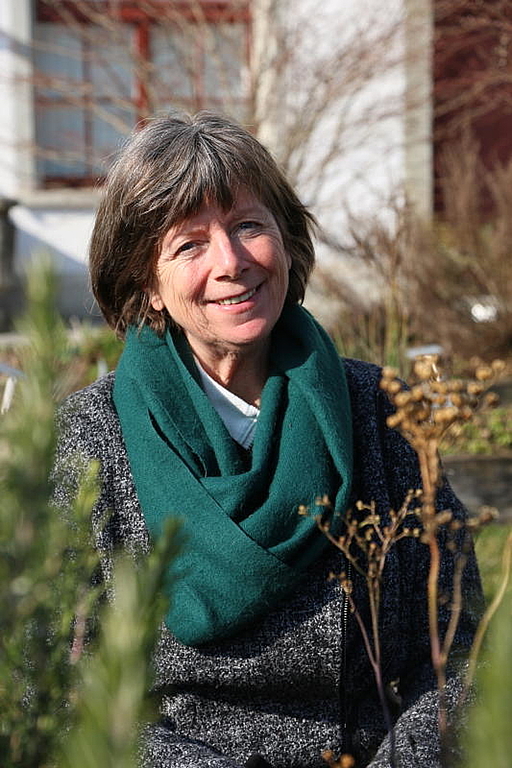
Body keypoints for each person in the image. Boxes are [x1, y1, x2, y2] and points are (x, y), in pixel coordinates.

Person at [54, 111, 483, 768]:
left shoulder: (381, 412)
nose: (231, 262)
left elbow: (462, 651)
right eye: (189, 245)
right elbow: (54, 684)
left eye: (248, 226)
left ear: (285, 242)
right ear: (147, 284)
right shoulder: (87, 441)